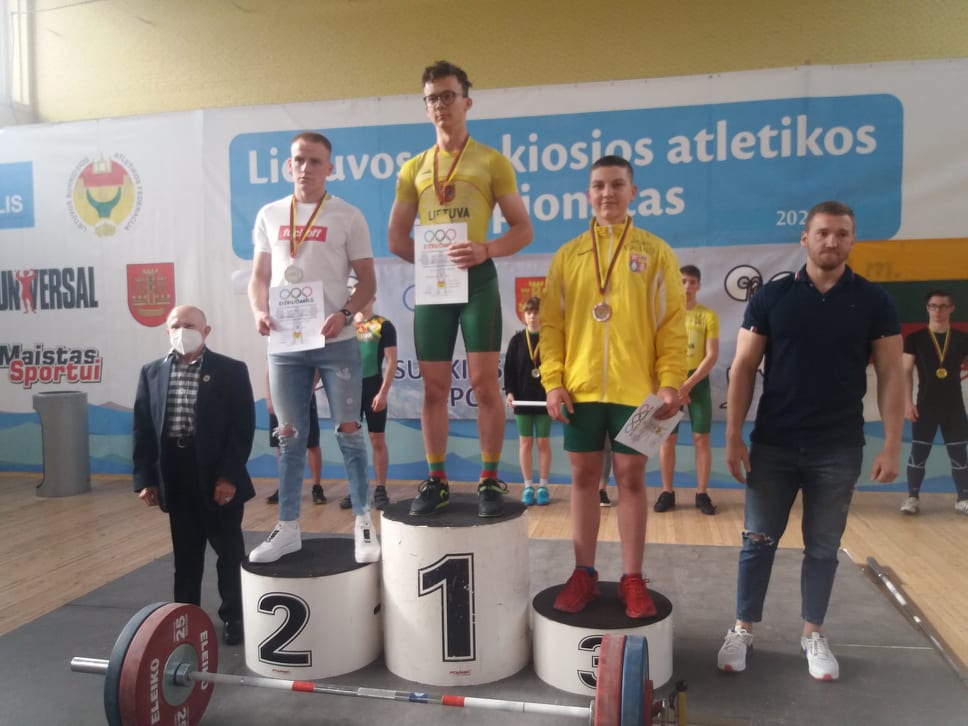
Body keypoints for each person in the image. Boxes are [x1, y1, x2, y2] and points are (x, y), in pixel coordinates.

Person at [718, 200, 904, 682]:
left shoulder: (874, 302)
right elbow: (743, 368)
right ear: (805, 238)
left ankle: (812, 634)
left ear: (852, 240)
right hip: (774, 444)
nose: (831, 241)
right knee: (757, 541)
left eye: (841, 234)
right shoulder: (772, 297)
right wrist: (734, 436)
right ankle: (742, 628)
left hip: (838, 448)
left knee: (823, 548)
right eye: (822, 233)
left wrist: (892, 443)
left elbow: (891, 374)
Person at [541, 155, 687, 618]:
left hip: (637, 391)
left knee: (631, 479)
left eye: (617, 185)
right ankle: (583, 573)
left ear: (633, 192)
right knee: (584, 480)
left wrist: (670, 382)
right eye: (599, 185)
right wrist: (553, 382)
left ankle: (632, 579)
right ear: (588, 194)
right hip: (581, 389)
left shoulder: (656, 251)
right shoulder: (568, 255)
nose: (608, 193)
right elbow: (551, 325)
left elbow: (672, 324)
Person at [388, 60, 533, 518]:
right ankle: (437, 479)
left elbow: (523, 229)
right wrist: (431, 261)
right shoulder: (413, 168)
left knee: (484, 383)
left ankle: (489, 479)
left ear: (466, 102)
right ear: (425, 107)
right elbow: (396, 238)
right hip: (435, 289)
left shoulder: (491, 161)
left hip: (478, 285)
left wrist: (487, 249)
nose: (440, 105)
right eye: (432, 98)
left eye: (448, 96)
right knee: (434, 388)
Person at [248, 131, 379, 564]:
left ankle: (363, 521)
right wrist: (258, 311)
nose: (306, 168)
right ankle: (287, 527)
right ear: (289, 164)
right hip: (286, 343)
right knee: (289, 436)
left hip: (335, 340)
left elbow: (368, 283)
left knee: (349, 431)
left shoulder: (348, 216)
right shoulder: (269, 214)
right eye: (299, 160)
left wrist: (345, 313)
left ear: (330, 168)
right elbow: (259, 278)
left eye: (315, 161)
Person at [132, 305, 255, 646]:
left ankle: (234, 617)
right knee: (186, 557)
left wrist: (228, 476)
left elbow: (241, 429)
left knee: (229, 553)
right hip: (176, 473)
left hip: (217, 476)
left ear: (206, 331)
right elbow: (142, 429)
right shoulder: (151, 372)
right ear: (167, 330)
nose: (181, 331)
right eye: (175, 325)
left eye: (188, 325)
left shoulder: (231, 370)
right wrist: (145, 479)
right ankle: (184, 618)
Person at [656, 265, 720, 515]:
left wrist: (689, 384)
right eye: (682, 281)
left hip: (697, 383)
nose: (687, 287)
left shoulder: (708, 316)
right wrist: (674, 385)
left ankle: (702, 493)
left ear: (699, 285)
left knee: (701, 438)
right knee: (667, 439)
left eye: (692, 282)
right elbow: (658, 352)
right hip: (671, 382)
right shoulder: (666, 315)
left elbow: (712, 355)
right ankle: (667, 492)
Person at [900, 290, 968, 515]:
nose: (938, 310)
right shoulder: (914, 339)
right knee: (918, 453)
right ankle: (912, 498)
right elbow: (905, 371)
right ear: (927, 308)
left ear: (952, 309)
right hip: (925, 406)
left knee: (959, 455)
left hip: (954, 407)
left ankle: (963, 499)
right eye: (933, 306)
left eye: (943, 306)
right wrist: (908, 403)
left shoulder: (962, 338)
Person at [339, 294, 398, 511]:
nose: (359, 299)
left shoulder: (383, 325)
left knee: (377, 439)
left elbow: (392, 361)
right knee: (352, 441)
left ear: (372, 298)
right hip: (349, 390)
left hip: (373, 388)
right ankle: (357, 488)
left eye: (363, 295)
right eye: (354, 295)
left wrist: (383, 393)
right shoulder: (345, 327)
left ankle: (380, 488)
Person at [504, 296, 552, 506]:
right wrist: (510, 392)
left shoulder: (549, 340)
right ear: (524, 316)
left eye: (536, 312)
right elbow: (509, 370)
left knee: (542, 443)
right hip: (522, 400)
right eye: (529, 313)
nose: (532, 317)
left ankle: (543, 486)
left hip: (544, 399)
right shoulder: (516, 341)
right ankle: (528, 486)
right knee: (525, 443)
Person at [265, 371, 325, 506]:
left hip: (303, 394)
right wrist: (269, 398)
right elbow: (269, 371)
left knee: (312, 443)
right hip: (279, 397)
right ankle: (284, 487)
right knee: (280, 443)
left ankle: (317, 487)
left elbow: (316, 370)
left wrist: (310, 389)